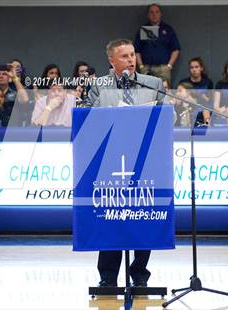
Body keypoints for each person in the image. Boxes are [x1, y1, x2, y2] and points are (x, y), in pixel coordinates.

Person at [88, 38, 165, 287]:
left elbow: (165, 118)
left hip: (146, 159)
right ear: (111, 61)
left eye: (132, 55)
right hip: (110, 160)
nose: (131, 60)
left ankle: (139, 274)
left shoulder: (153, 83)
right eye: (124, 56)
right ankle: (108, 277)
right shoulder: (99, 86)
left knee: (143, 216)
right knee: (111, 217)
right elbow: (89, 118)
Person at [134, 3, 180, 83]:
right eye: (151, 12)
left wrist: (169, 66)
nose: (154, 15)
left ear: (160, 14)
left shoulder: (167, 29)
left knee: (163, 93)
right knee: (146, 92)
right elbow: (137, 50)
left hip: (163, 69)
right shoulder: (144, 29)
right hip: (147, 68)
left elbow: (176, 49)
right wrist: (141, 66)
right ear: (148, 15)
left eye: (157, 12)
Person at [179, 57, 213, 125]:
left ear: (201, 68)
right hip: (185, 108)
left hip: (202, 108)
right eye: (192, 67)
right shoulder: (183, 82)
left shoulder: (208, 82)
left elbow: (209, 100)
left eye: (196, 67)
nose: (194, 69)